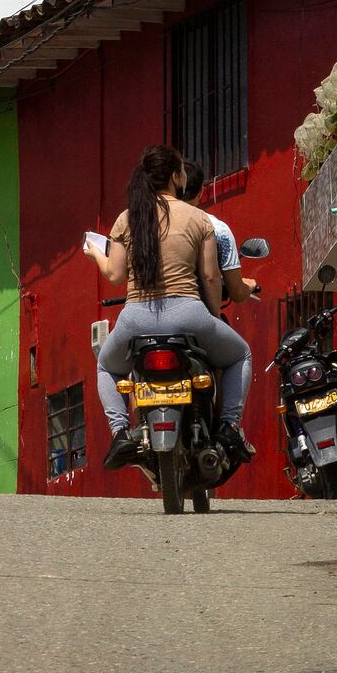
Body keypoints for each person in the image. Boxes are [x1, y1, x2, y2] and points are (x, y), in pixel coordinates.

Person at [88, 144, 254, 474]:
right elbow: (209, 275)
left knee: (107, 366)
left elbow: (115, 275)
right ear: (177, 176)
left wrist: (95, 252)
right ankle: (228, 428)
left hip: (135, 319)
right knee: (241, 355)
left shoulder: (127, 218)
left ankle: (121, 433)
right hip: (189, 316)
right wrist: (208, 315)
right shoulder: (199, 218)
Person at [179, 158, 259, 308]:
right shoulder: (216, 228)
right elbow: (234, 291)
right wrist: (249, 285)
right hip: (195, 314)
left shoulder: (150, 225)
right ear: (201, 191)